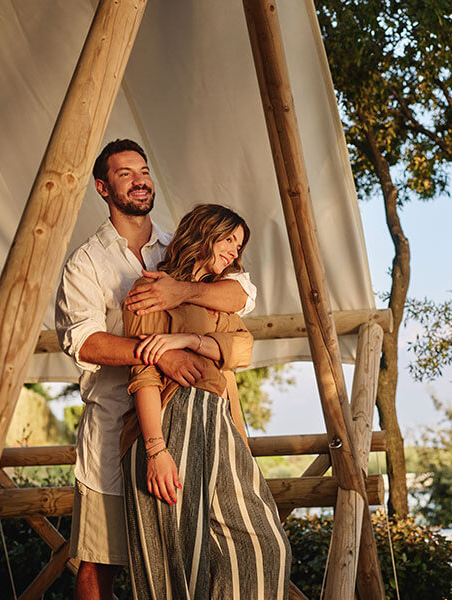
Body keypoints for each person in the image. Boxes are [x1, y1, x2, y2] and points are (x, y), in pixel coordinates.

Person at [55, 139, 257, 600]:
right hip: (114, 422)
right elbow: (82, 340)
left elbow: (243, 294)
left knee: (194, 549)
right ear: (103, 188)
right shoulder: (86, 262)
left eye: (143, 169)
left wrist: (179, 292)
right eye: (125, 173)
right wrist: (158, 353)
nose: (140, 179)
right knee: (99, 556)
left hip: (197, 418)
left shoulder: (183, 245)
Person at [120, 204, 291, 600]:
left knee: (265, 547)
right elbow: (143, 375)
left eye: (239, 244)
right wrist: (155, 449)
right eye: (228, 239)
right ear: (204, 232)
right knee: (177, 567)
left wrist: (189, 341)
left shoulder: (221, 295)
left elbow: (244, 347)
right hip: (168, 418)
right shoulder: (149, 288)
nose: (234, 250)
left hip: (217, 419)